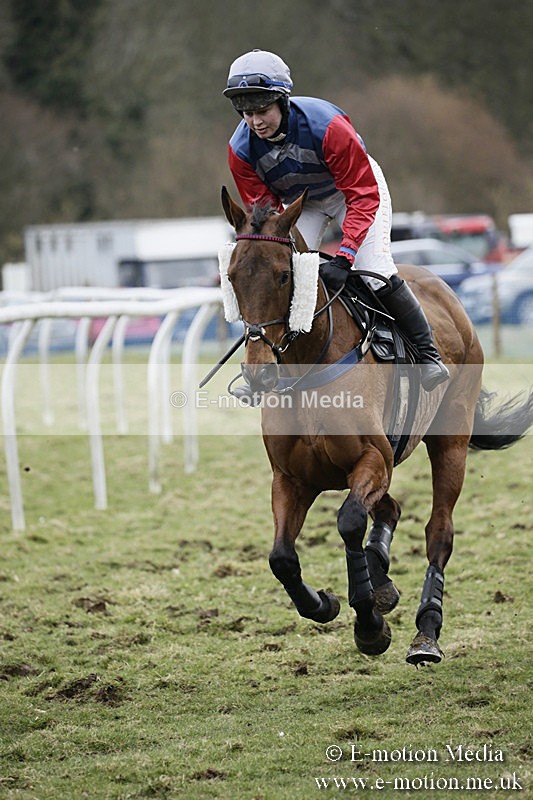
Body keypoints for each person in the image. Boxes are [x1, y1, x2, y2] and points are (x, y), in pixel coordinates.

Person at [223, 49, 449, 392]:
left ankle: (428, 354)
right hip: (304, 203)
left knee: (375, 269)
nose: (255, 122)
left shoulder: (327, 128)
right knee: (281, 274)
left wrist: (345, 256)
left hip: (355, 192)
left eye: (263, 110)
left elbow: (362, 196)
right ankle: (267, 365)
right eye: (247, 113)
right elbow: (265, 218)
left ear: (282, 102)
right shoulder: (240, 150)